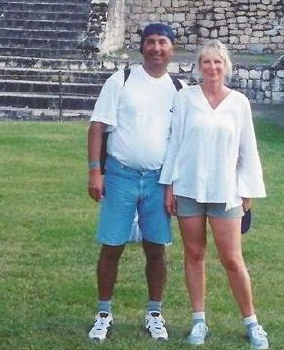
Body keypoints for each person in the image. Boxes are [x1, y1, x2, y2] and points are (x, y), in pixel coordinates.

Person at [160, 40, 269, 348]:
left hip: (226, 191)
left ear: (226, 66)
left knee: (233, 259)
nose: (212, 68)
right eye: (206, 62)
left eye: (218, 62)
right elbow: (175, 142)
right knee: (194, 255)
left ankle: (251, 322)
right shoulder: (185, 98)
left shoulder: (239, 102)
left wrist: (247, 190)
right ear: (199, 66)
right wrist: (169, 186)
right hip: (189, 188)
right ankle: (198, 321)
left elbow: (248, 148)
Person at [87, 22, 184, 342]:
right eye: (151, 42)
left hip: (159, 180)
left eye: (163, 42)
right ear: (141, 47)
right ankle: (103, 313)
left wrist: (175, 185)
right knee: (111, 245)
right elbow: (98, 127)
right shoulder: (122, 80)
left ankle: (154, 313)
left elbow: (183, 139)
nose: (157, 48)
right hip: (120, 175)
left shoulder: (179, 89)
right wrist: (94, 171)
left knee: (156, 248)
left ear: (172, 48)